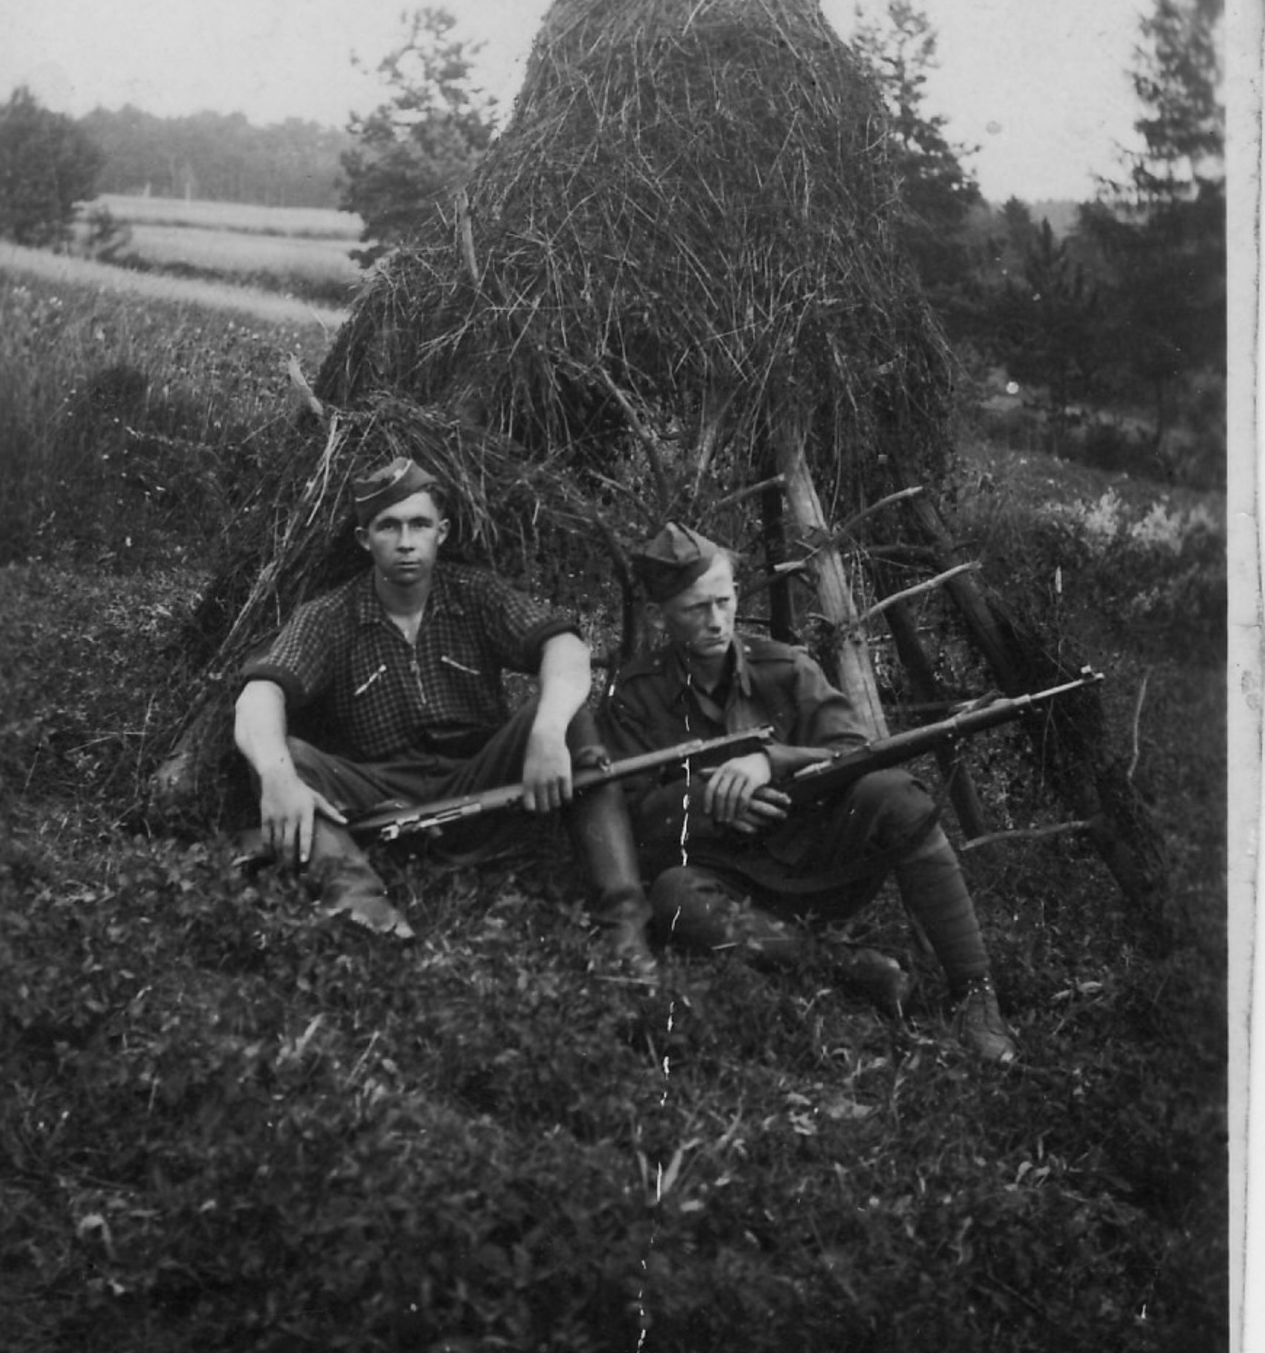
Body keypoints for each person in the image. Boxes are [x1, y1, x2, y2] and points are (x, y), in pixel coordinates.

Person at [602, 522, 1018, 1063]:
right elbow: (626, 817)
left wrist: (768, 762)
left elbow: (854, 750)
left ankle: (976, 992)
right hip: (727, 880)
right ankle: (844, 964)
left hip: (816, 860)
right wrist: (707, 798)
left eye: (724, 602)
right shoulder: (635, 697)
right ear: (662, 616)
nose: (716, 621)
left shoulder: (785, 668)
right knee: (674, 897)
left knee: (897, 795)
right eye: (695, 609)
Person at [233, 456, 655, 978]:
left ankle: (625, 929)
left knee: (569, 719)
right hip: (381, 795)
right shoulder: (330, 615)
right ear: (365, 539)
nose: (406, 542)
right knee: (286, 757)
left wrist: (546, 732)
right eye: (388, 527)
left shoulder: (475, 593)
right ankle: (363, 909)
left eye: (419, 525)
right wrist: (277, 776)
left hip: (482, 781)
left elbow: (564, 646)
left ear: (442, 532)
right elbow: (260, 693)